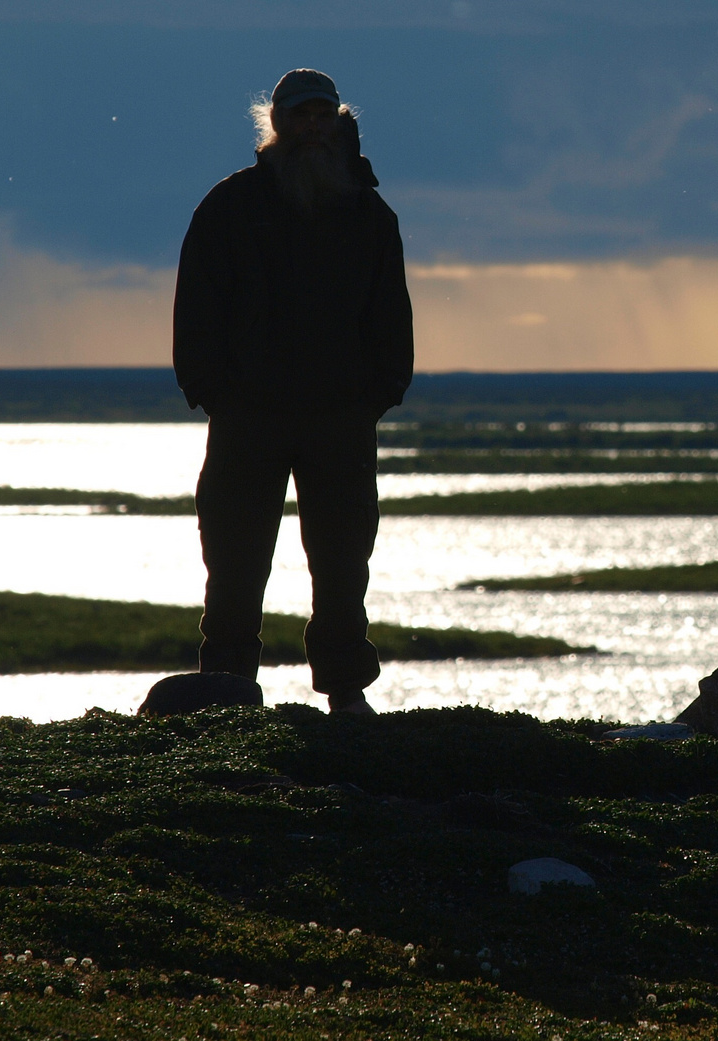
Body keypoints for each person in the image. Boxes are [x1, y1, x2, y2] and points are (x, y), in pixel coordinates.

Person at [172, 69, 413, 714]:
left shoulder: (368, 213)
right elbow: (197, 305)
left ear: (336, 122)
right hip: (248, 416)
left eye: (321, 115)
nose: (311, 127)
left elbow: (391, 313)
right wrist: (212, 391)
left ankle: (344, 689)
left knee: (341, 561)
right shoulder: (231, 205)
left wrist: (379, 392)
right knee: (234, 562)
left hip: (340, 418)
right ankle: (225, 692)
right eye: (298, 115)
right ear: (275, 123)